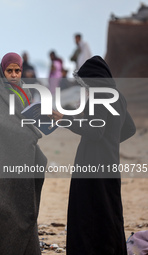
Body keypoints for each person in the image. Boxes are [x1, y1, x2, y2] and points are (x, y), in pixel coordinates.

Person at [50, 56, 136, 255]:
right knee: (109, 213)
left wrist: (65, 119)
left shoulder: (100, 96)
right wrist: (111, 143)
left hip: (91, 164)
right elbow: (129, 129)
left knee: (86, 213)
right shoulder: (117, 96)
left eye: (87, 82)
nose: (85, 87)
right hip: (110, 163)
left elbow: (95, 131)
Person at [0, 52, 47, 255]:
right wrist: (27, 131)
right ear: (2, 70)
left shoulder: (24, 90)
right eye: (9, 71)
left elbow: (26, 116)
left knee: (23, 205)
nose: (14, 75)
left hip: (20, 154)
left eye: (17, 70)